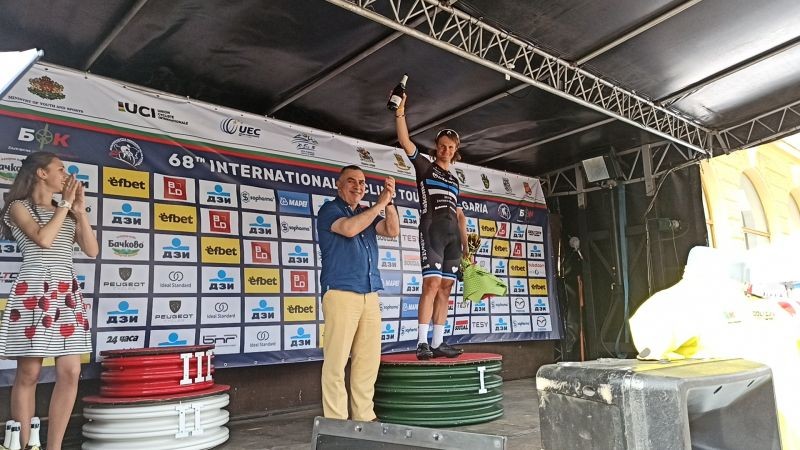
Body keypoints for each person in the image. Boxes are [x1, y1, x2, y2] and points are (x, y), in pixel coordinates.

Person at [0, 152, 98, 450]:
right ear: (42, 173)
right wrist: (65, 205)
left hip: (66, 292)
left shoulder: (66, 210)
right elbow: (43, 239)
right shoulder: (18, 207)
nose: (66, 176)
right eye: (61, 170)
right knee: (29, 372)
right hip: (34, 290)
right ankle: (26, 446)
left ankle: (54, 447)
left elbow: (92, 250)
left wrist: (79, 211)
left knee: (71, 371)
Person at [318, 165, 399, 421]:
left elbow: (392, 230)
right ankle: (336, 421)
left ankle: (364, 416)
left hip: (370, 293)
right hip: (340, 293)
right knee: (336, 362)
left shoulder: (366, 213)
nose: (358, 186)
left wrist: (389, 202)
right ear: (338, 185)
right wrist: (379, 204)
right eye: (351, 181)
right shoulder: (329, 209)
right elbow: (349, 229)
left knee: (367, 361)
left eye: (362, 182)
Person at [395, 94, 468, 360]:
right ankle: (422, 342)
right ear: (436, 148)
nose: (446, 150)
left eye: (451, 147)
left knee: (446, 288)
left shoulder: (454, 180)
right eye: (442, 146)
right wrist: (400, 112)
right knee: (431, 284)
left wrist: (466, 247)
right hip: (431, 232)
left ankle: (438, 342)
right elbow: (405, 141)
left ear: (455, 151)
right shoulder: (426, 168)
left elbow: (459, 215)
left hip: (452, 238)